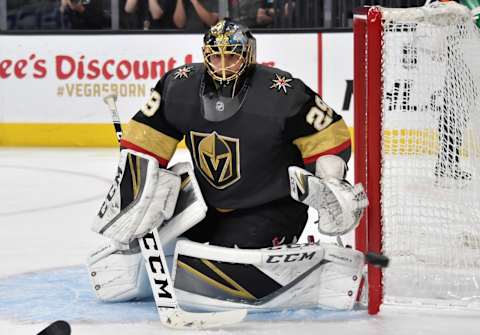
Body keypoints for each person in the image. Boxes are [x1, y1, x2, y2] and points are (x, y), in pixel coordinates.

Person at [87, 19, 369, 312]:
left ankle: (307, 274)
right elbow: (144, 140)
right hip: (206, 201)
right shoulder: (178, 86)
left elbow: (328, 137)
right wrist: (137, 190)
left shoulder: (282, 93)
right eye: (215, 56)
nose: (223, 65)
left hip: (270, 205)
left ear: (248, 55)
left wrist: (332, 181)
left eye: (232, 56)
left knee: (224, 263)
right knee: (145, 249)